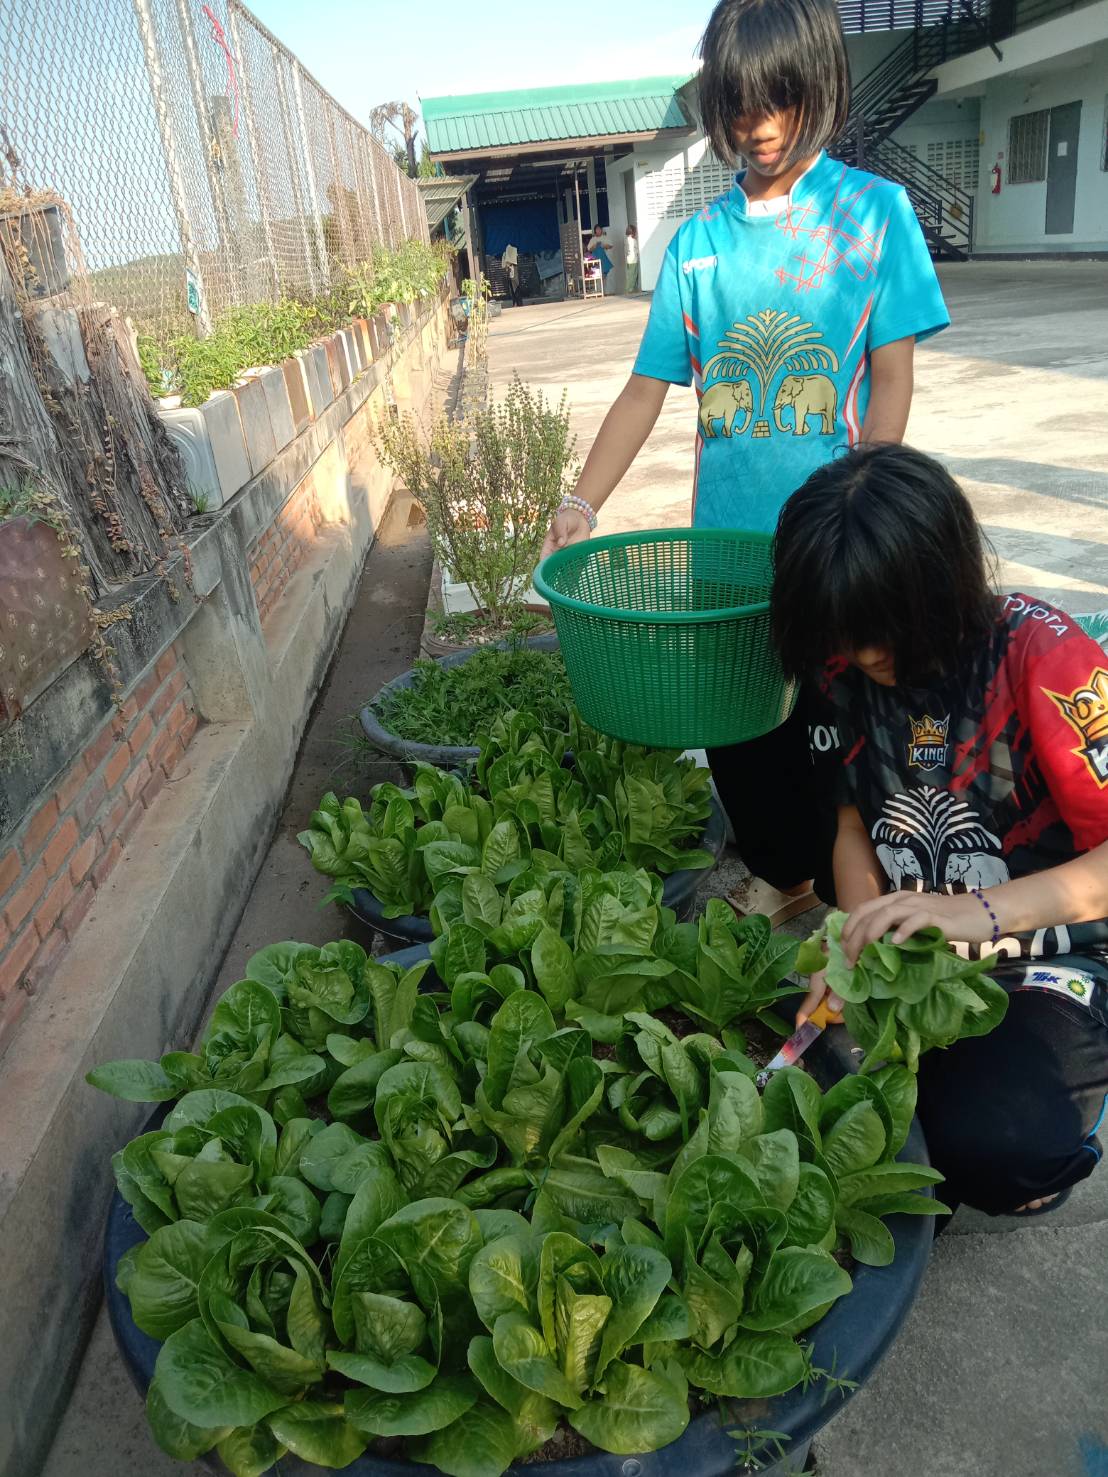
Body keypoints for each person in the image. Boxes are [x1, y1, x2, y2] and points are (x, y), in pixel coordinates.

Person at [541, 0, 948, 926]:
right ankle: (782, 873)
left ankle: (856, 897)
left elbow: (891, 378)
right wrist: (581, 500)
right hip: (725, 555)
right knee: (740, 734)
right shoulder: (696, 248)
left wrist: (864, 515)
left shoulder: (874, 218)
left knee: (836, 728)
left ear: (819, 86)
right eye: (737, 104)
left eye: (779, 99)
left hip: (830, 555)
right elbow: (644, 391)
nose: (758, 125)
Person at [774, 443, 1108, 1219]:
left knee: (1004, 1144)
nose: (866, 653)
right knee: (824, 1100)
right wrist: (853, 945)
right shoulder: (841, 666)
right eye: (847, 632)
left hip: (1054, 954)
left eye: (883, 630)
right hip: (922, 956)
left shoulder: (1045, 657)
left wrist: (977, 912)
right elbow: (853, 824)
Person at [624, 225, 640, 293]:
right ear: (633, 232)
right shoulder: (634, 240)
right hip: (633, 259)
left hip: (628, 259)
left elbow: (627, 250)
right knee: (633, 275)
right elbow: (637, 250)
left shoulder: (626, 240)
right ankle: (629, 289)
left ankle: (632, 289)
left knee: (630, 274)